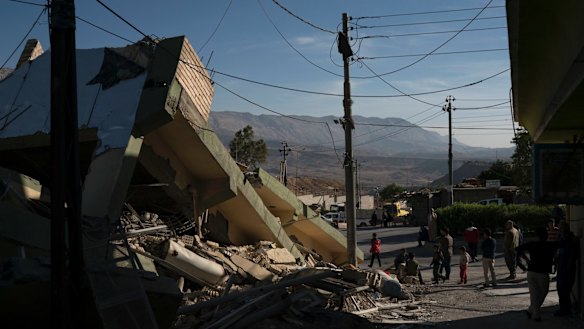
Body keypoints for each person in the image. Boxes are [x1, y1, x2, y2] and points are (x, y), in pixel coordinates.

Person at [516, 227, 561, 321]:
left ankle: (532, 311)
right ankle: (535, 314)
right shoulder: (549, 245)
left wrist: (527, 259)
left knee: (534, 294)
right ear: (545, 235)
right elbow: (563, 244)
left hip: (531, 271)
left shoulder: (533, 244)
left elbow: (518, 249)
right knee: (543, 292)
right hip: (542, 273)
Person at [555, 220, 579, 317]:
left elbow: (572, 256)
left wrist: (567, 269)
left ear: (564, 228)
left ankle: (565, 310)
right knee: (561, 290)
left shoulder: (570, 239)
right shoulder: (563, 238)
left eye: (560, 227)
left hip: (567, 269)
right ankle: (563, 309)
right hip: (562, 268)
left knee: (564, 290)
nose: (558, 229)